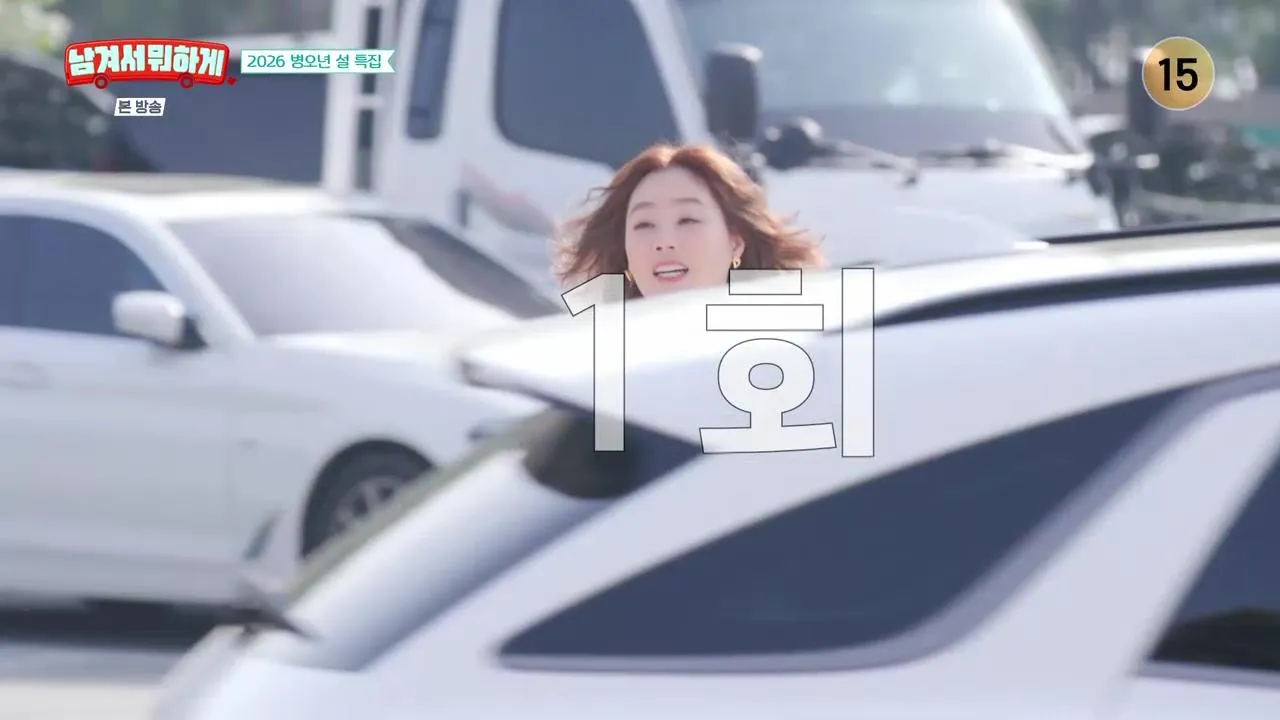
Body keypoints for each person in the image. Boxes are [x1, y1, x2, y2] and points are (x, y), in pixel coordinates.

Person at [552, 143, 824, 299]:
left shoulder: (785, 347)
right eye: (644, 225)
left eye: (688, 220)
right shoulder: (594, 358)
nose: (664, 242)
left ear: (735, 242)